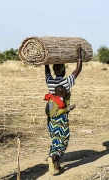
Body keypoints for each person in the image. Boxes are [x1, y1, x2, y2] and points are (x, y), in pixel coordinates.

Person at [44, 45, 84, 175]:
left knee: (55, 139)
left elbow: (47, 71)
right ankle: (54, 157)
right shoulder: (66, 83)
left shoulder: (50, 82)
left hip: (51, 119)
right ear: (63, 71)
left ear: (55, 70)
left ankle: (56, 164)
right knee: (63, 140)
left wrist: (46, 60)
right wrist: (79, 53)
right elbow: (78, 69)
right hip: (61, 118)